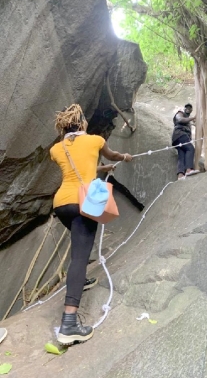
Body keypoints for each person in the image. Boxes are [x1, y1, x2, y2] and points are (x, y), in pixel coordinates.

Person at [50, 104, 132, 345]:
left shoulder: (56, 149)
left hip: (62, 204)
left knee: (79, 245)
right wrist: (123, 158)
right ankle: (69, 324)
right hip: (85, 202)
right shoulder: (95, 140)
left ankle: (80, 278)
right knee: (79, 255)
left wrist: (101, 169)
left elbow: (78, 167)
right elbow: (114, 155)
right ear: (82, 122)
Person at [172, 103, 199, 180]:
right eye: (187, 107)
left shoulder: (188, 120)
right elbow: (180, 119)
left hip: (177, 138)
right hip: (180, 135)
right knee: (190, 149)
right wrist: (193, 118)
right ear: (184, 108)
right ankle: (189, 169)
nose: (188, 109)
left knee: (182, 155)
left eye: (190, 108)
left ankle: (180, 174)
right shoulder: (180, 113)